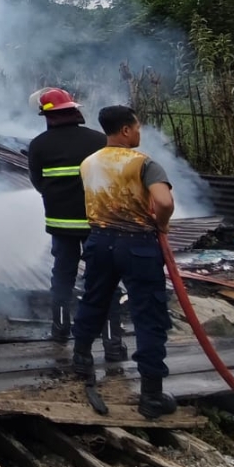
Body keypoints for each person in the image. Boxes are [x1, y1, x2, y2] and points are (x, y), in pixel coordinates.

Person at [72, 105, 178, 419]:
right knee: (149, 314)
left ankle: (81, 359)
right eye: (137, 127)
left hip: (100, 241)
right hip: (138, 244)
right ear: (127, 130)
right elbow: (164, 201)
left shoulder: (88, 163)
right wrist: (163, 222)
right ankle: (151, 396)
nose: (140, 133)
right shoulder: (144, 163)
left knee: (94, 299)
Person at [26, 88, 127, 361]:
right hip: (99, 224)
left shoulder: (39, 145)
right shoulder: (99, 141)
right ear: (75, 111)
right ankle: (113, 345)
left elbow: (38, 184)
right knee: (105, 281)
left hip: (61, 226)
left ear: (48, 116)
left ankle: (60, 331)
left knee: (62, 279)